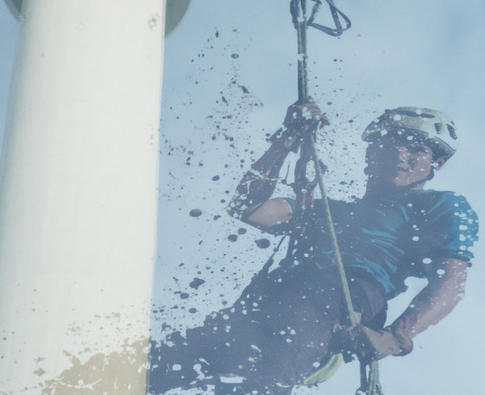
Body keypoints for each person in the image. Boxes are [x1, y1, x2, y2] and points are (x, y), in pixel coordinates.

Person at [148, 103, 478, 395]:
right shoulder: (322, 207)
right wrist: (287, 139)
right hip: (268, 302)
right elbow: (247, 207)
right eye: (391, 144)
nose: (400, 156)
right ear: (370, 153)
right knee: (153, 364)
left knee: (263, 383)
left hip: (336, 301)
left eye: (416, 150)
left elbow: (449, 284)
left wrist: (396, 336)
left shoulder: (441, 206)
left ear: (437, 163)